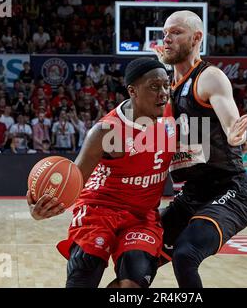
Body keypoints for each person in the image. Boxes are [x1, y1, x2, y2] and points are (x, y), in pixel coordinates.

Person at [27, 58, 175, 288]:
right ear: (132, 91)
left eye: (167, 85)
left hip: (141, 216)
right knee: (84, 274)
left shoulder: (173, 116)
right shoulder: (106, 132)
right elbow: (74, 179)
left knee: (132, 286)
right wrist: (40, 209)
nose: (164, 93)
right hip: (99, 210)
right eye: (155, 87)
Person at [155, 10, 247, 288]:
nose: (167, 38)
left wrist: (236, 134)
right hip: (192, 193)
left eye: (175, 32)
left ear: (196, 37)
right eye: (165, 33)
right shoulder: (166, 88)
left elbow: (232, 124)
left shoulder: (209, 77)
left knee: (186, 254)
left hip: (229, 190)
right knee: (140, 248)